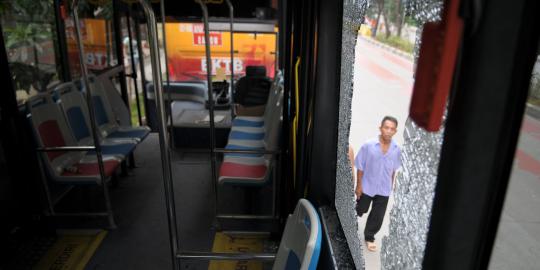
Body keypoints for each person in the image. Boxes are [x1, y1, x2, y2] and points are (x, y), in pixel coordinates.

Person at [355, 116, 401, 252]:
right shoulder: (368, 145)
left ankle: (369, 237)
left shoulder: (396, 149)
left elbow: (393, 170)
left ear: (395, 131)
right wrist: (359, 186)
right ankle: (352, 216)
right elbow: (360, 166)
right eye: (386, 127)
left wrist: (391, 186)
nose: (388, 131)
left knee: (378, 215)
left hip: (383, 188)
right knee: (361, 208)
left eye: (392, 129)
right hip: (367, 186)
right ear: (380, 128)